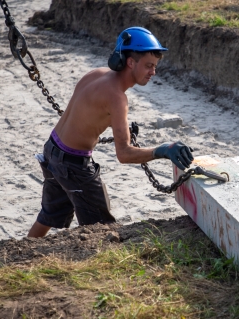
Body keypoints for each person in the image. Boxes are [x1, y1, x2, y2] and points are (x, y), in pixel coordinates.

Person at [27, 27, 194, 237]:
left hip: (52, 149)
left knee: (48, 216)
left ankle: (18, 257)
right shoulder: (117, 98)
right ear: (131, 62)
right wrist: (163, 150)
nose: (153, 72)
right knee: (102, 230)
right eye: (149, 66)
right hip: (73, 164)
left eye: (155, 66)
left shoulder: (96, 74)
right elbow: (123, 154)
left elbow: (85, 116)